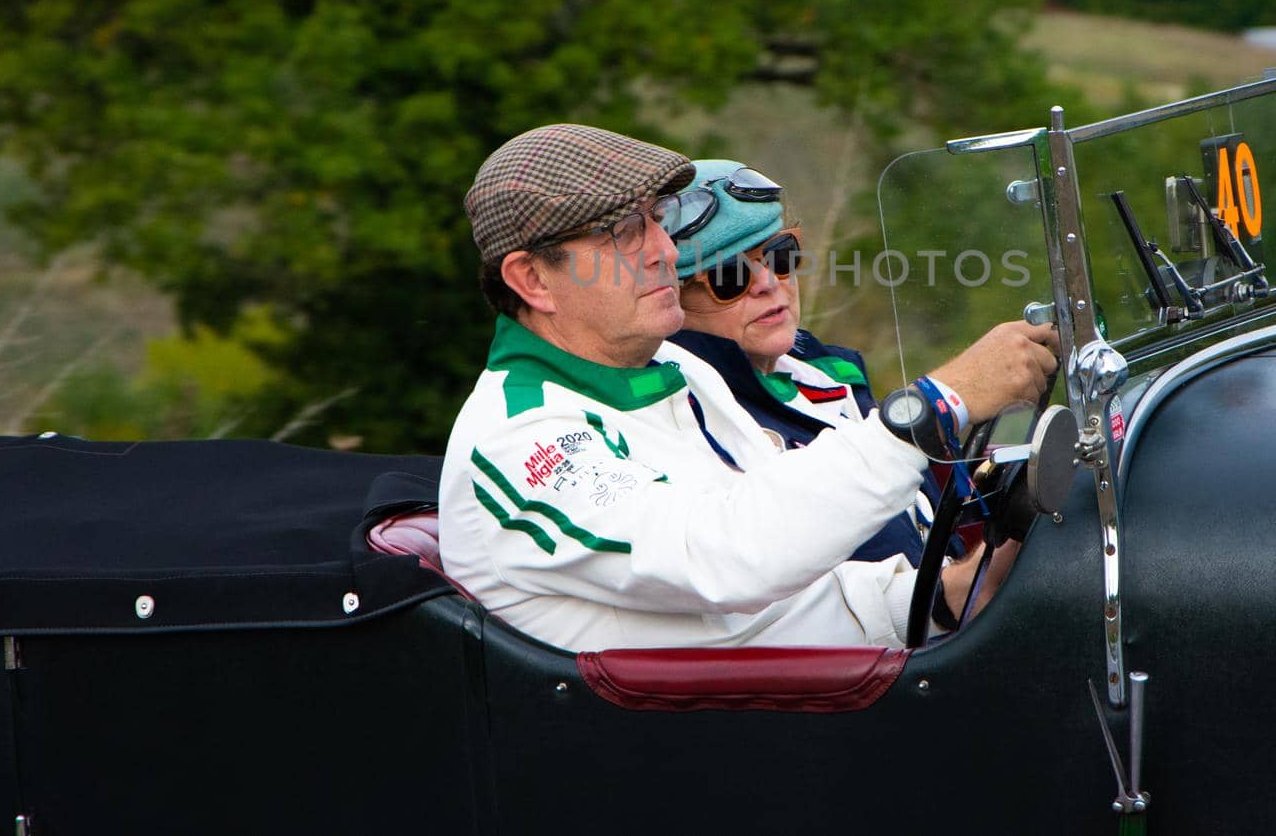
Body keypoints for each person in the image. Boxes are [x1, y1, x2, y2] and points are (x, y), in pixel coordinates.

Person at [438, 124, 1057, 652]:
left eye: (655, 220)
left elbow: (792, 595)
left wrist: (955, 593)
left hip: (792, 721)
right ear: (533, 281)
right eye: (623, 232)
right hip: (701, 760)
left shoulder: (680, 372)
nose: (665, 252)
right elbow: (728, 558)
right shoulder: (519, 440)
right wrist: (933, 406)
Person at [665, 159, 949, 567]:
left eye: (781, 256)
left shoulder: (830, 371)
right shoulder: (684, 412)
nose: (768, 283)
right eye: (729, 275)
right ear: (669, 299)